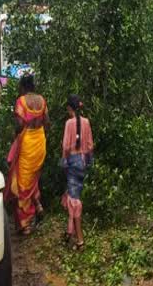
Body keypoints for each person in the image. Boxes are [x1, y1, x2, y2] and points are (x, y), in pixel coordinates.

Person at [6, 75, 49, 235]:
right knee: (32, 178)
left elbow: (19, 124)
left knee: (22, 183)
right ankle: (38, 206)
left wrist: (14, 136)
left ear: (23, 87)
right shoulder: (42, 100)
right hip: (40, 142)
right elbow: (47, 122)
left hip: (27, 143)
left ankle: (26, 223)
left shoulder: (21, 101)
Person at [61, 95, 94, 250]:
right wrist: (88, 162)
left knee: (74, 201)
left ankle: (80, 240)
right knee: (73, 194)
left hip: (73, 161)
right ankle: (70, 231)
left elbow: (66, 147)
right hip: (83, 162)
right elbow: (90, 146)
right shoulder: (86, 122)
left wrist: (64, 161)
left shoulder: (69, 123)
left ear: (70, 108)